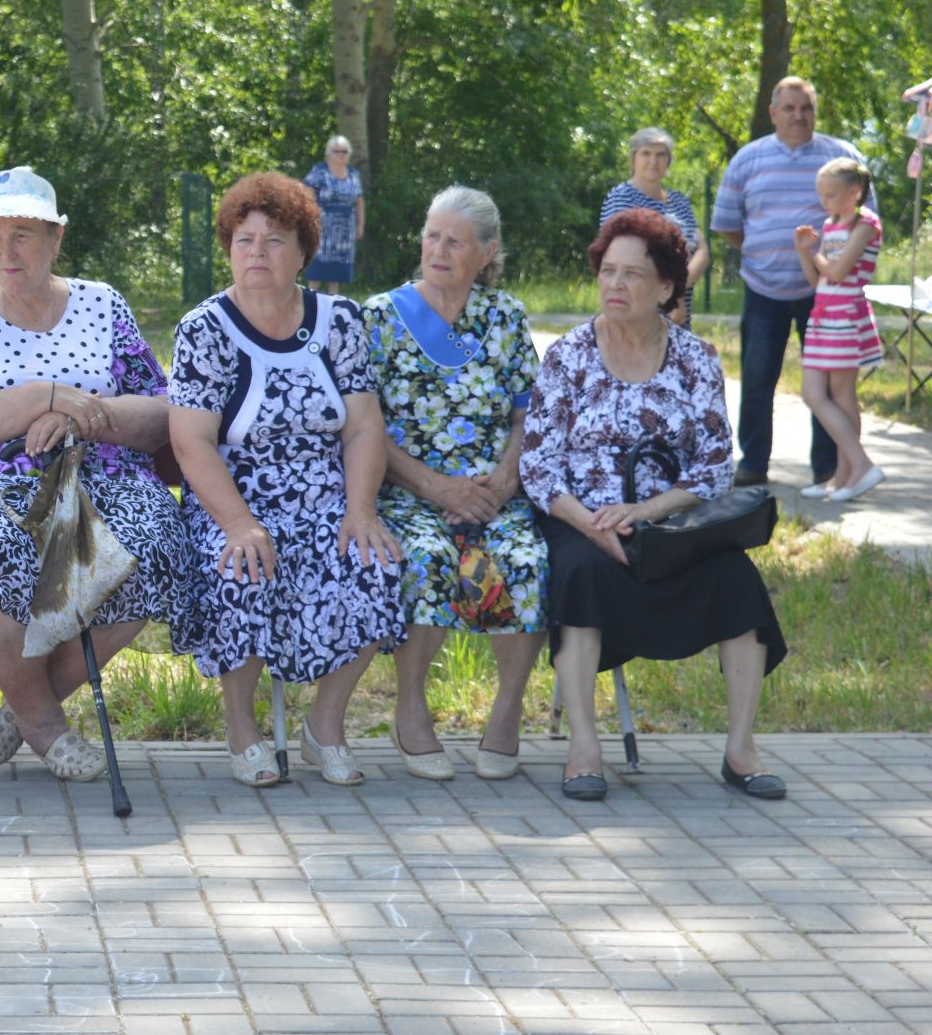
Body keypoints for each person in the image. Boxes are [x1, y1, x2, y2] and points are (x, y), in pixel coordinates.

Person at [0, 166, 192, 783]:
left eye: (22, 234)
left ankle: (26, 704)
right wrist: (46, 394)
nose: (4, 251)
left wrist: (82, 419)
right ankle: (42, 724)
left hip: (100, 472)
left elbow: (160, 411)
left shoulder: (102, 304)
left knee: (154, 538)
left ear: (57, 237)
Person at [521, 208, 788, 803]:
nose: (615, 285)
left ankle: (742, 748)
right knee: (580, 576)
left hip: (671, 525)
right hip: (580, 521)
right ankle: (584, 749)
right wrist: (590, 523)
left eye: (632, 275)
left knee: (736, 580)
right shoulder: (567, 356)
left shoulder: (696, 359)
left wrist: (646, 512)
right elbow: (538, 466)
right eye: (608, 271)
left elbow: (716, 464)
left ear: (666, 286)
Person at [167, 171, 405, 787]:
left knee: (376, 565)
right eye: (244, 239)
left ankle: (324, 724)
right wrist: (240, 523)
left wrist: (360, 509)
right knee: (240, 566)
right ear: (228, 248)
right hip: (233, 495)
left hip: (327, 491)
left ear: (303, 252)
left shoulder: (340, 321)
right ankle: (242, 727)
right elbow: (191, 441)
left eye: (275, 240)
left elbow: (362, 427)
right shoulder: (205, 329)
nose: (257, 253)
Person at [362, 187, 546, 782]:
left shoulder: (507, 317)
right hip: (408, 490)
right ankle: (410, 707)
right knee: (428, 557)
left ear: (486, 252)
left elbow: (527, 411)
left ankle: (507, 710)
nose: (438, 250)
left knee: (527, 558)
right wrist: (436, 487)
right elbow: (363, 428)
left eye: (455, 241)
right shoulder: (380, 317)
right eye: (432, 236)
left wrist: (510, 473)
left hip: (494, 493)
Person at [712, 77, 865, 486]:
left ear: (816, 112)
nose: (799, 115)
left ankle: (829, 468)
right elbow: (727, 224)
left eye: (807, 108)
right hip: (764, 289)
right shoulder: (748, 159)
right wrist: (766, 250)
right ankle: (753, 465)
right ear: (773, 112)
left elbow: (866, 221)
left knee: (830, 385)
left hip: (827, 297)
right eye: (790, 107)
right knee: (758, 378)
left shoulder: (843, 157)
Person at [796, 157, 885, 501]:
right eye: (822, 195)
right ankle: (850, 471)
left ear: (855, 191)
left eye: (831, 194)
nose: (825, 202)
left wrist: (816, 256)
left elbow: (838, 271)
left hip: (845, 316)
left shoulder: (864, 225)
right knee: (814, 393)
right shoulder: (831, 223)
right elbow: (817, 279)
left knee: (841, 394)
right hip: (823, 316)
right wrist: (805, 252)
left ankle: (852, 472)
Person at [599, 127, 710, 326]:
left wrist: (677, 291)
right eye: (646, 153)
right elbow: (626, 256)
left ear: (669, 160)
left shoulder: (679, 201)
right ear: (633, 159)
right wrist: (669, 296)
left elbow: (701, 250)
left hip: (679, 309)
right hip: (638, 309)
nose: (653, 161)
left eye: (660, 154)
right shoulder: (622, 197)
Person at [300, 135, 365, 294]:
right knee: (317, 265)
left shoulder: (353, 174)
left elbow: (359, 200)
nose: (340, 154)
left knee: (337, 270)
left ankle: (332, 301)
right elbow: (305, 194)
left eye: (344, 151)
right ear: (329, 153)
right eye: (337, 151)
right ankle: (311, 298)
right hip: (322, 225)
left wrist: (360, 225)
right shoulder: (319, 171)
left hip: (345, 228)